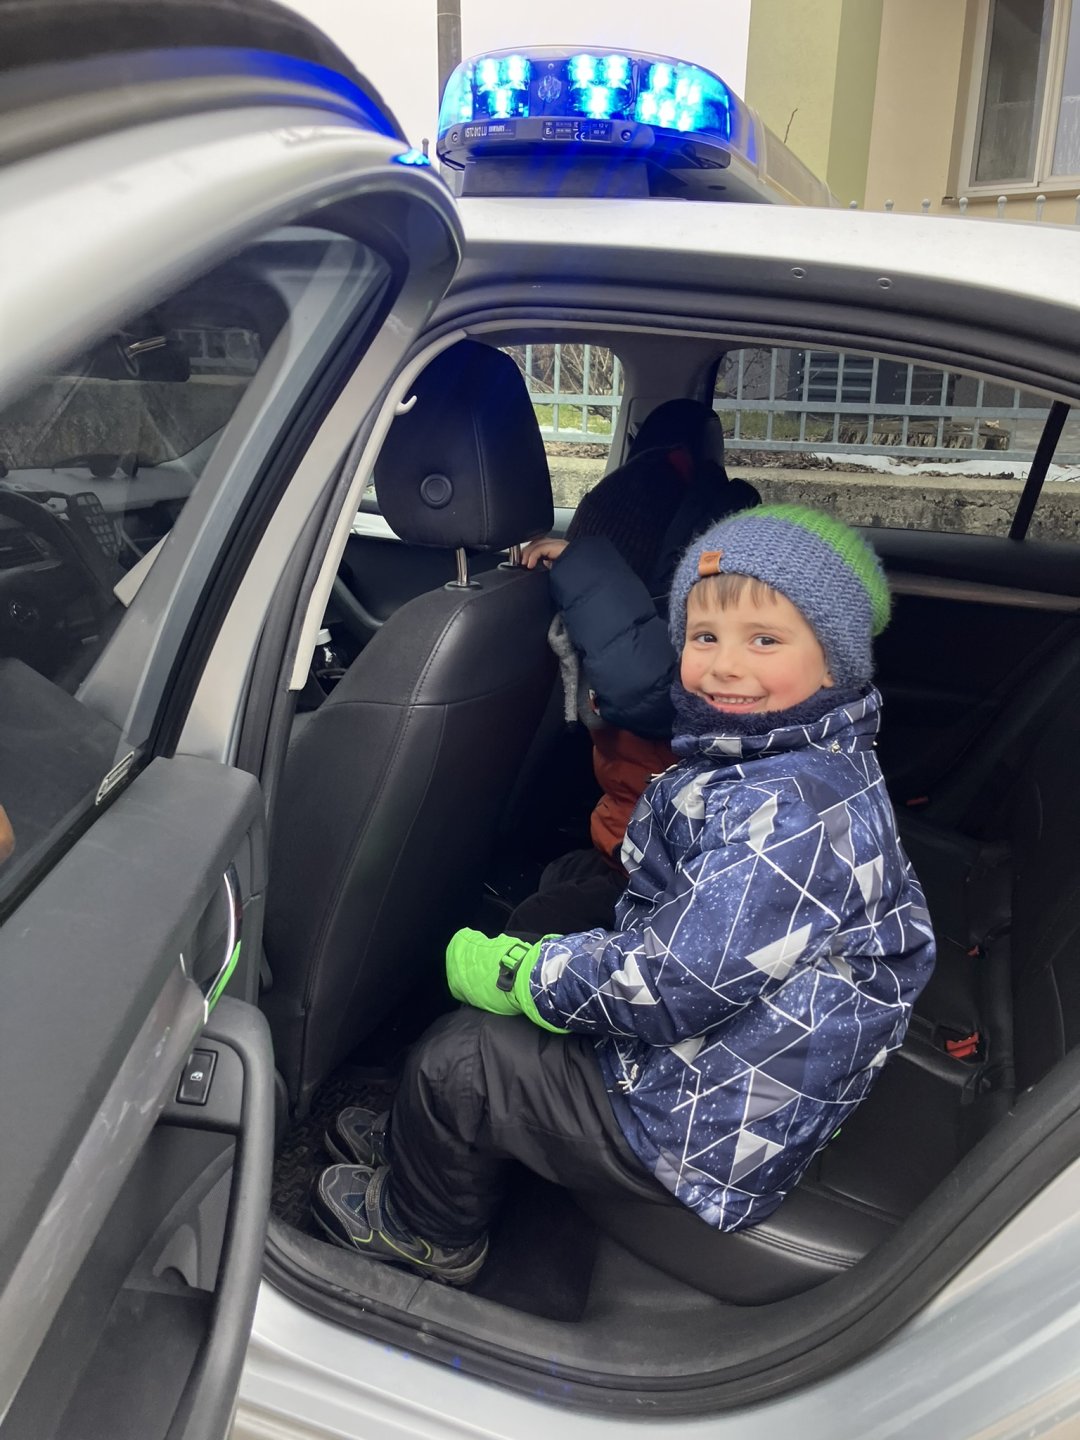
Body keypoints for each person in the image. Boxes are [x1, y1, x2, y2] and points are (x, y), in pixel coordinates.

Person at [311, 505, 936, 1286]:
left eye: (764, 641)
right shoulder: (793, 758)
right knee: (558, 908)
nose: (724, 666)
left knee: (458, 1063)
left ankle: (425, 1228)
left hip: (704, 1127)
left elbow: (672, 984)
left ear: (835, 664)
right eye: (704, 637)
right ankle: (427, 1141)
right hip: (741, 1063)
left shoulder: (789, 818)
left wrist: (522, 975)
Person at [509, 401, 760, 935]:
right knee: (563, 874)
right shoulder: (721, 561)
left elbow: (640, 684)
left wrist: (580, 563)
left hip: (672, 869)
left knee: (534, 922)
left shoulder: (685, 662)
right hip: (654, 841)